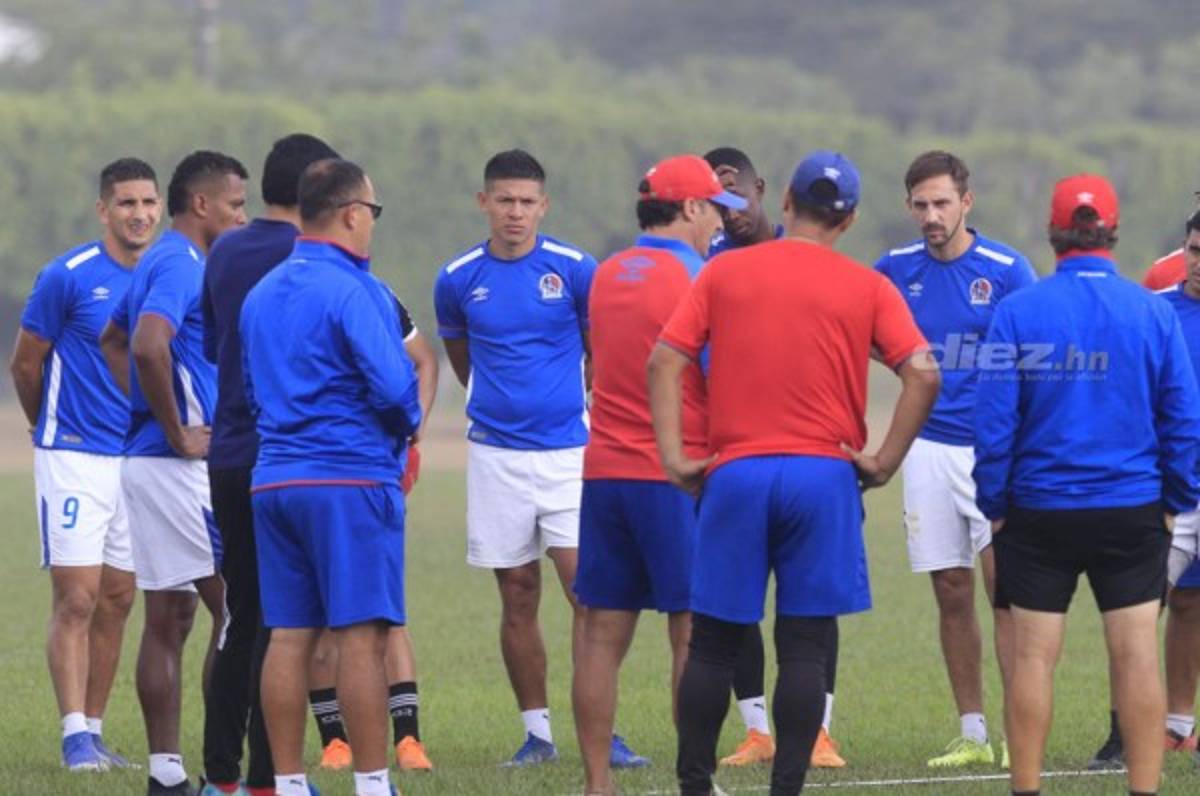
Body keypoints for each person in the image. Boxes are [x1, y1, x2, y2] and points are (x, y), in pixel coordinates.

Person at [650, 150, 939, 796]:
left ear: (784, 201)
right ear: (852, 218)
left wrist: (674, 456)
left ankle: (694, 785)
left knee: (714, 645)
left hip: (737, 471)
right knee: (805, 646)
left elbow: (664, 360)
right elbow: (923, 371)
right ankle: (787, 789)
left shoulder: (724, 275)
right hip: (824, 474)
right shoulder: (868, 286)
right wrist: (884, 461)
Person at [974, 174, 1200, 796]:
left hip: (1038, 513)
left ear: (1054, 233)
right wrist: (1176, 502)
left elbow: (993, 424)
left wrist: (994, 504)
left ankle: (1026, 788)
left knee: (1032, 659)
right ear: (1112, 231)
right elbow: (1182, 420)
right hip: (1131, 511)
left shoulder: (1018, 311)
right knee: (1135, 656)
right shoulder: (1153, 311)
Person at [433, 149, 642, 767]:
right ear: (484, 203)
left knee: (588, 593)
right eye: (504, 200)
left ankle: (601, 731)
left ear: (543, 205)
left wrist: (575, 403)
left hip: (568, 456)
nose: (515, 212)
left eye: (527, 202)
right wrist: (498, 404)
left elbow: (597, 350)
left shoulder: (576, 269)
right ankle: (539, 735)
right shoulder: (458, 277)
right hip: (495, 457)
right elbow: (462, 358)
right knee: (518, 593)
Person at [241, 158, 420, 796]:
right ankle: (373, 784)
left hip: (274, 481)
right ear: (352, 214)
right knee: (360, 638)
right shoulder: (357, 288)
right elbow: (396, 385)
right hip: (347, 480)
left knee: (288, 635)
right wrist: (408, 426)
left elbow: (251, 389)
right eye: (371, 212)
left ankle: (288, 784)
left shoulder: (262, 292)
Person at [571, 154, 742, 796]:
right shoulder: (702, 278)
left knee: (598, 634)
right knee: (692, 633)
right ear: (692, 208)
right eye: (714, 213)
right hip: (677, 474)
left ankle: (596, 784)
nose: (719, 227)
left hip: (604, 473)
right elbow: (718, 373)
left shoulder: (607, 272)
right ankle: (696, 781)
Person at [874, 151, 1036, 768]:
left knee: (1006, 591)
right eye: (920, 204)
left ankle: (1024, 728)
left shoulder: (1007, 269)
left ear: (966, 202)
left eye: (942, 202)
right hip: (927, 449)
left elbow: (1031, 363)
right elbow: (856, 333)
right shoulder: (893, 270)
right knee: (950, 587)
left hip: (994, 449)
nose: (931, 215)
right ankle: (972, 733)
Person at [99, 150, 247, 795]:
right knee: (240, 614)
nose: (243, 218)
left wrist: (150, 419)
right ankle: (224, 771)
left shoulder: (161, 258)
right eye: (237, 206)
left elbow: (110, 338)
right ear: (203, 205)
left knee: (171, 618)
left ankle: (167, 775)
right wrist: (176, 428)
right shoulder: (183, 264)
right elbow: (145, 343)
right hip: (181, 471)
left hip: (150, 467)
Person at [199, 133, 339, 795]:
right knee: (287, 626)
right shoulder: (313, 256)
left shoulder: (224, 250)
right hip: (288, 456)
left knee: (241, 618)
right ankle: (270, 777)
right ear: (317, 184)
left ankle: (220, 774)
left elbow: (209, 337)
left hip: (227, 454)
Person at [9, 158, 159, 772]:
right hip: (73, 455)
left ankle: (95, 733)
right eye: (126, 203)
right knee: (77, 597)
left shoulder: (167, 275)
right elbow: (25, 363)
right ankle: (73, 737)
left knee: (120, 598)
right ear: (104, 210)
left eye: (149, 202)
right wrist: (45, 428)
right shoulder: (66, 276)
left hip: (139, 460)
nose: (140, 214)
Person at [703, 145, 844, 770]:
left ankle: (816, 733)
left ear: (763, 189)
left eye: (737, 196)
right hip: (731, 453)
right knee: (735, 601)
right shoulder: (703, 267)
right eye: (714, 201)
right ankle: (758, 729)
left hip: (807, 451)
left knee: (811, 597)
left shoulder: (808, 251)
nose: (729, 211)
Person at [307, 290, 439, 774]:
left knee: (384, 611)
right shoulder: (287, 295)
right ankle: (334, 741)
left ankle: (408, 740)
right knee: (318, 614)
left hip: (373, 469)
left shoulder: (378, 297)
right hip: (309, 472)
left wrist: (415, 427)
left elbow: (424, 361)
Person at [1154, 209, 1200, 760]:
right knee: (1155, 606)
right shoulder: (1157, 314)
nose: (1198, 262)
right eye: (1193, 249)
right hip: (1169, 490)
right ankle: (1166, 725)